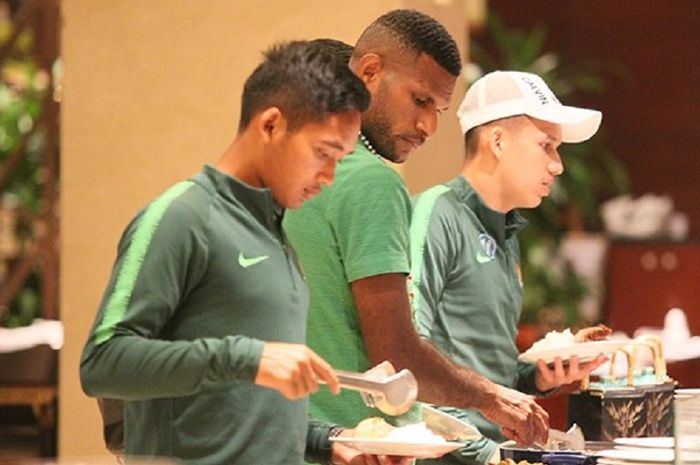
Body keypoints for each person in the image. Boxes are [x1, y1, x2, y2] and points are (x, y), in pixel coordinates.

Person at [79, 39, 385, 465]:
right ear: (271, 125)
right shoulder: (182, 218)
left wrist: (327, 441)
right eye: (323, 153)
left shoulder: (274, 234)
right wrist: (246, 356)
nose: (329, 176)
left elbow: (245, 401)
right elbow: (102, 363)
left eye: (341, 158)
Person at [283, 9, 549, 447]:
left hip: (296, 438)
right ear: (368, 71)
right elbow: (396, 353)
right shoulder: (373, 181)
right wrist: (491, 397)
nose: (428, 126)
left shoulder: (292, 175)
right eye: (420, 100)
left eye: (440, 109)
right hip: (358, 446)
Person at [408, 70, 606, 464]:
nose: (558, 166)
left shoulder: (507, 232)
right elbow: (407, 360)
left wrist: (536, 376)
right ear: (497, 141)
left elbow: (487, 373)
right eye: (546, 146)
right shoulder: (437, 212)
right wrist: (487, 455)